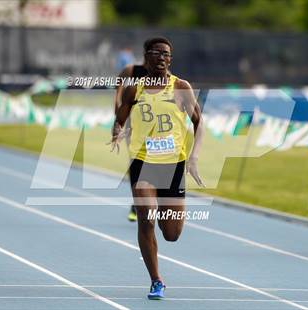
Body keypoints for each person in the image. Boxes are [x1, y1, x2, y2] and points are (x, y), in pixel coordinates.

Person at [109, 37, 204, 299]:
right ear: (146, 57)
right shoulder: (134, 89)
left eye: (167, 55)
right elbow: (120, 116)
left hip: (173, 165)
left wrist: (193, 157)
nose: (163, 58)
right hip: (143, 163)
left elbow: (199, 123)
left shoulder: (181, 87)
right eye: (158, 53)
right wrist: (116, 131)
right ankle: (156, 280)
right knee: (145, 216)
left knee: (171, 233)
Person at [114, 61, 148, 222]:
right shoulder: (132, 70)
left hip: (153, 126)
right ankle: (136, 203)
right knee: (136, 161)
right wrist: (117, 102)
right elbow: (118, 82)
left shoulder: (163, 72)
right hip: (133, 124)